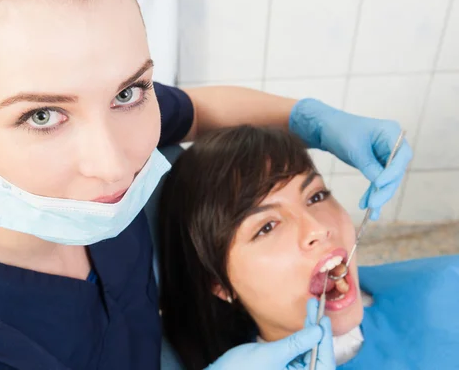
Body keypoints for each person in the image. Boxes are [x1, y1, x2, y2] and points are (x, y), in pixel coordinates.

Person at [0, 0, 412, 369]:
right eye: (43, 115)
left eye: (128, 90)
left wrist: (307, 120)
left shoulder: (107, 126)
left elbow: (191, 110)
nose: (114, 165)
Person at [158, 125, 459, 370]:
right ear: (219, 284)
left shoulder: (448, 283)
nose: (318, 228)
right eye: (266, 226)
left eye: (316, 196)